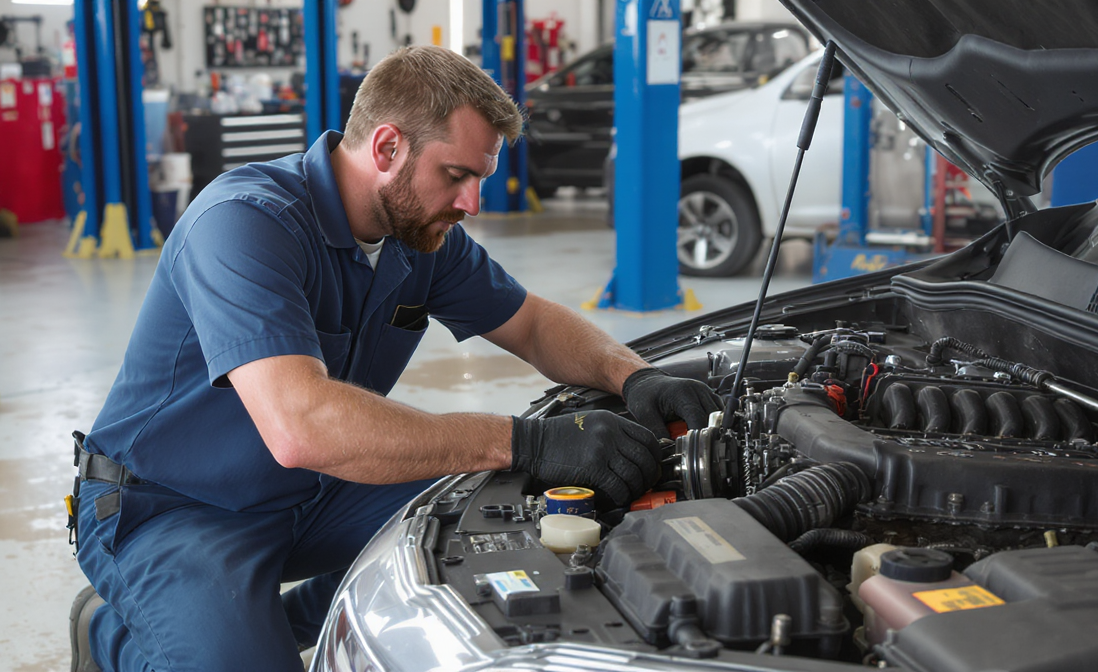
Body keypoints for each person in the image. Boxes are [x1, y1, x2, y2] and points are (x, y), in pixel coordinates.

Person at [67, 45, 720, 672]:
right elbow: (302, 427)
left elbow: (534, 325)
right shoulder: (244, 223)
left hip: (309, 491)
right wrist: (526, 441)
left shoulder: (420, 239)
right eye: (457, 175)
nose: (471, 203)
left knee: (503, 523)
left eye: (480, 179)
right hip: (171, 507)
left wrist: (635, 375)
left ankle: (271, 620)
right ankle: (111, 636)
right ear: (386, 147)